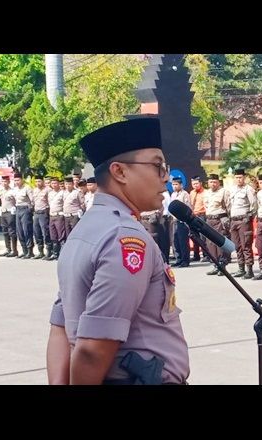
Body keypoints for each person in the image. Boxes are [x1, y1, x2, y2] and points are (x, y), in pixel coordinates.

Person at [46, 117, 189, 384]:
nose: (166, 177)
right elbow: (91, 349)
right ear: (120, 172)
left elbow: (60, 329)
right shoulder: (125, 237)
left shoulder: (85, 229)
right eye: (158, 166)